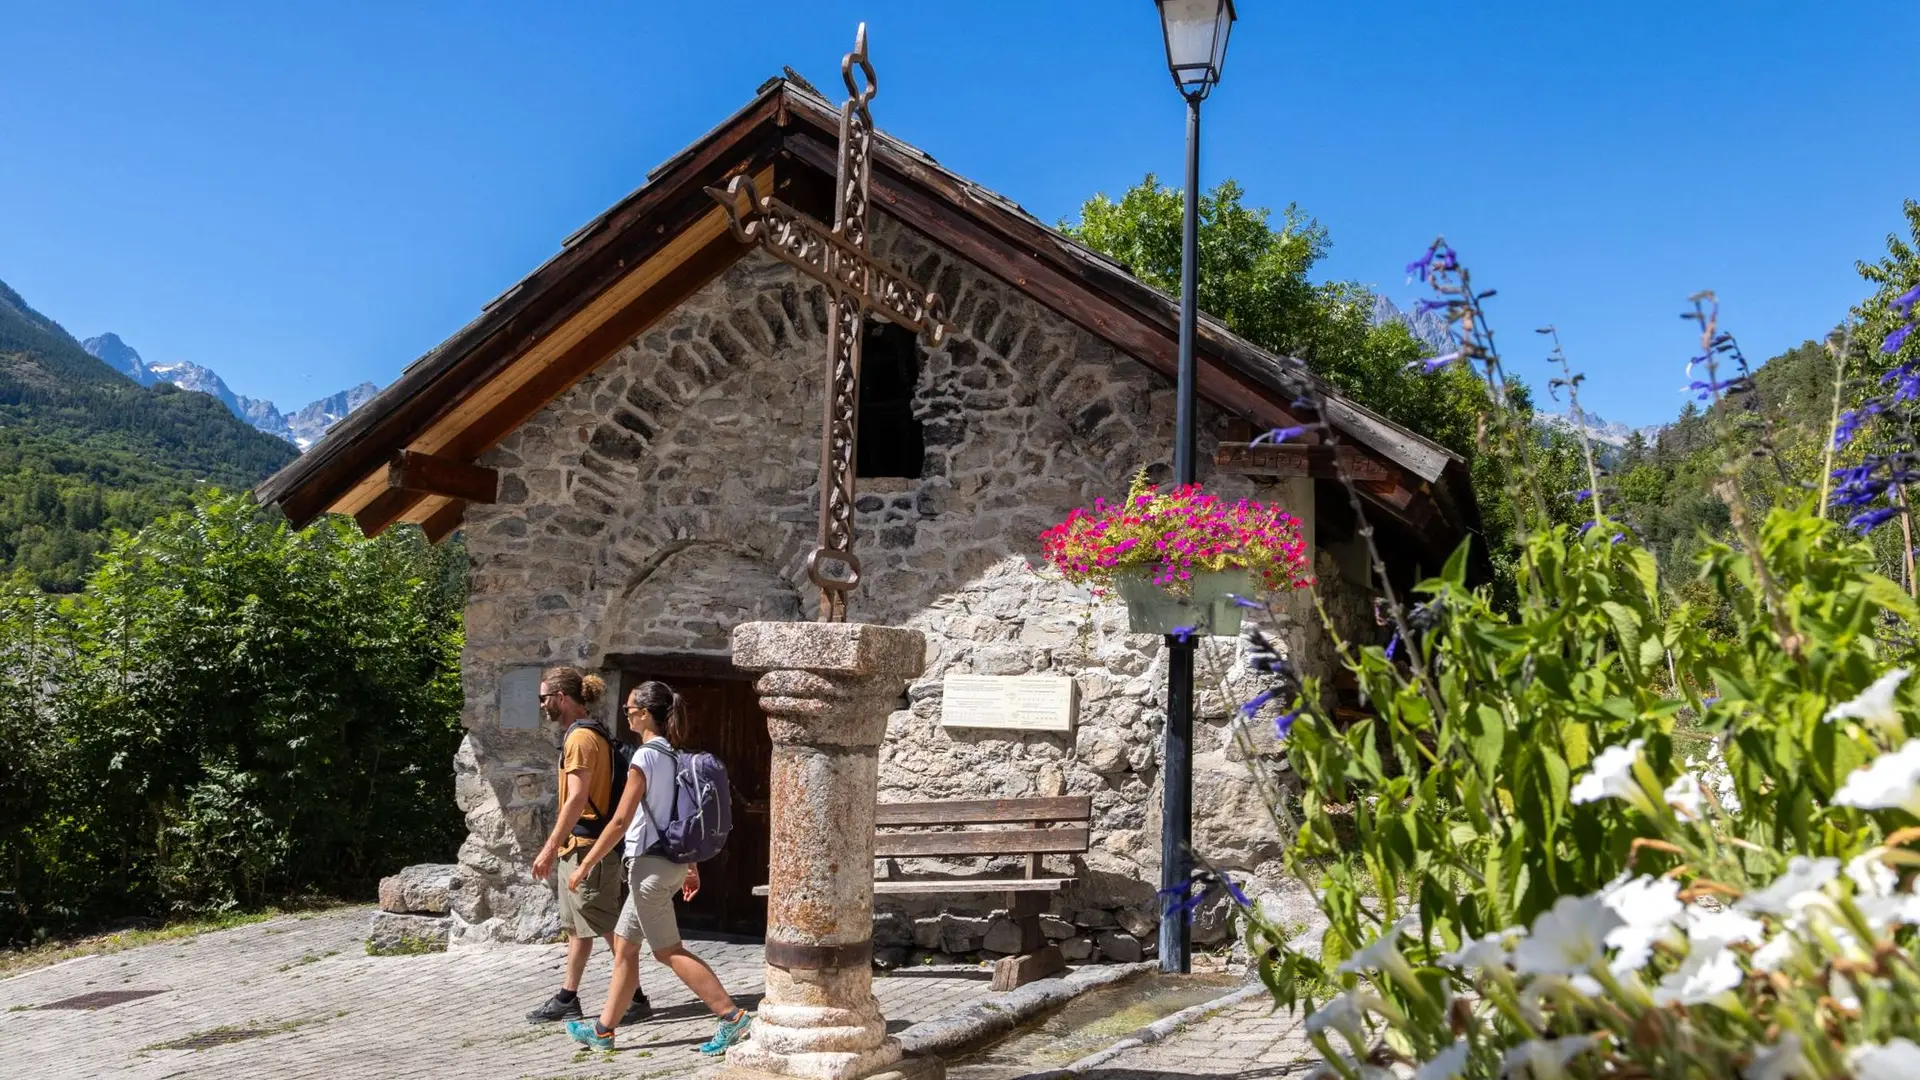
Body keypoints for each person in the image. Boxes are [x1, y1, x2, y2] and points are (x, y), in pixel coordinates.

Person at [563, 680, 753, 1055]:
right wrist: (691, 866)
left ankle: (731, 1017)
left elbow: (621, 820)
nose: (627, 715)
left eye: (630, 709)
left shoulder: (645, 757)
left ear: (646, 714)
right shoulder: (671, 753)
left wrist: (586, 863)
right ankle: (603, 1031)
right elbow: (678, 814)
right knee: (624, 947)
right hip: (665, 863)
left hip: (649, 868)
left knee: (668, 951)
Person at [523, 666, 651, 1027]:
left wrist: (549, 848)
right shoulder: (590, 732)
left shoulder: (580, 739)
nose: (542, 705)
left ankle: (636, 999)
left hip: (587, 846)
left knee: (606, 924)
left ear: (561, 697)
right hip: (578, 845)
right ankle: (567, 997)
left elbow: (577, 798)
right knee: (578, 927)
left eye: (544, 698)